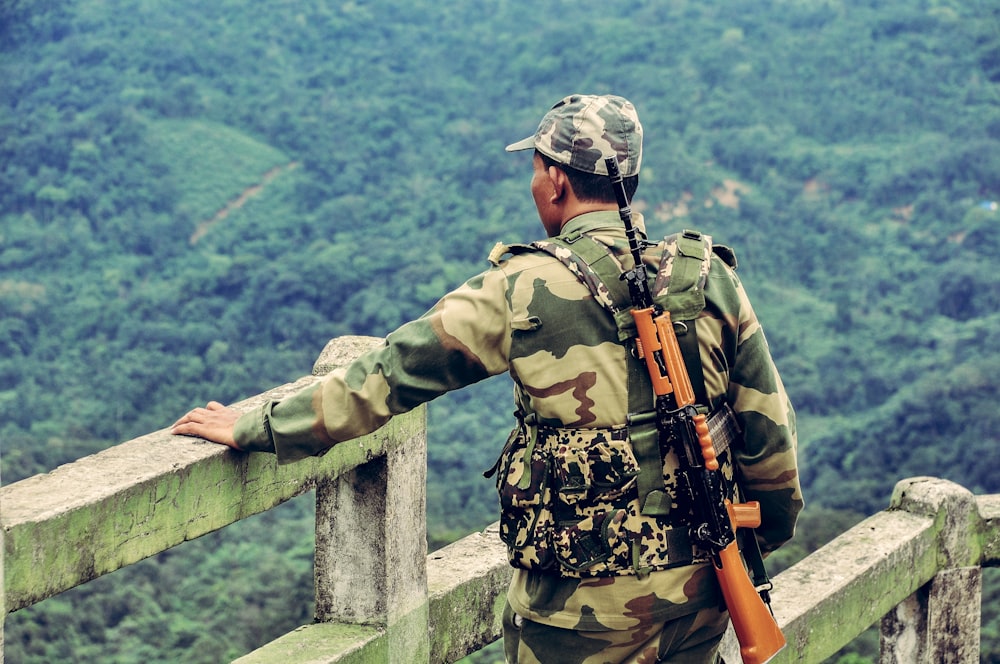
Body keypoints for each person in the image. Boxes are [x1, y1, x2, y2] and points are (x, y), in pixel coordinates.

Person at [172, 94, 803, 663]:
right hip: (703, 590)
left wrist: (259, 425)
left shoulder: (519, 286)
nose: (534, 184)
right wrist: (749, 546)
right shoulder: (709, 277)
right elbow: (771, 443)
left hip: (575, 613)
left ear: (556, 179)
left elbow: (389, 374)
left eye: (535, 169)